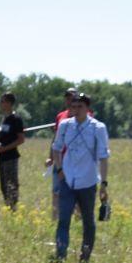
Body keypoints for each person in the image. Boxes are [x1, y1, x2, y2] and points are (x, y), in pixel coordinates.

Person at [49, 92, 110, 263]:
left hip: (88, 181)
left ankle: (85, 258)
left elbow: (104, 156)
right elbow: (56, 147)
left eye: (80, 107)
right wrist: (60, 170)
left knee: (88, 221)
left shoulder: (98, 128)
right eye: (73, 106)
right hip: (68, 180)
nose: (76, 110)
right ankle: (60, 255)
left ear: (87, 108)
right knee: (64, 219)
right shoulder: (65, 125)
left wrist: (104, 183)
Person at [47, 86, 79, 223]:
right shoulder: (60, 116)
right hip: (60, 159)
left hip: (76, 160)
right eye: (67, 97)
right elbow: (55, 138)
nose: (69, 100)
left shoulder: (84, 115)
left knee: (78, 191)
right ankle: (56, 218)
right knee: (56, 190)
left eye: (72, 97)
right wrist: (50, 157)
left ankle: (78, 219)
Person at [0, 91, 25, 210]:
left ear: (9, 103)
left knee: (11, 185)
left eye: (3, 101)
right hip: (1, 156)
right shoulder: (4, 119)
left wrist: (4, 148)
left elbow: (21, 140)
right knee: (4, 186)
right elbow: (3, 137)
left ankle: (13, 209)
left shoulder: (16, 119)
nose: (0, 103)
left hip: (11, 157)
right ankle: (8, 207)